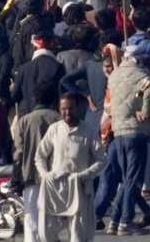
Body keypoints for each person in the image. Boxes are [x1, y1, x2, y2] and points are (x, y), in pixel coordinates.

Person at [34, 92, 107, 242]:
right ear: (59, 109)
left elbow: (102, 160)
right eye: (64, 109)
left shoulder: (89, 130)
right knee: (46, 233)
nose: (67, 112)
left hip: (79, 189)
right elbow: (40, 156)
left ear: (78, 108)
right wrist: (45, 174)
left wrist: (83, 175)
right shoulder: (54, 129)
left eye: (71, 108)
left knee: (79, 236)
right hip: (55, 188)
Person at [105, 40, 150, 236]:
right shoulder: (143, 76)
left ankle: (114, 221)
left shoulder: (114, 76)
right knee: (134, 180)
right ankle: (126, 222)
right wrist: (145, 112)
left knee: (126, 179)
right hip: (136, 132)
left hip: (118, 131)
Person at [13, 82, 61, 242]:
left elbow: (19, 153)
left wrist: (16, 176)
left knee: (31, 220)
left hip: (30, 176)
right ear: (54, 99)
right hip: (55, 176)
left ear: (34, 98)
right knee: (51, 223)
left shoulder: (23, 121)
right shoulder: (59, 119)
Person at [13, 32, 66, 118]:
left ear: (35, 47)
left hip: (27, 116)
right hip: (51, 116)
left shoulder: (23, 69)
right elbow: (62, 93)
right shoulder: (57, 67)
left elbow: (15, 96)